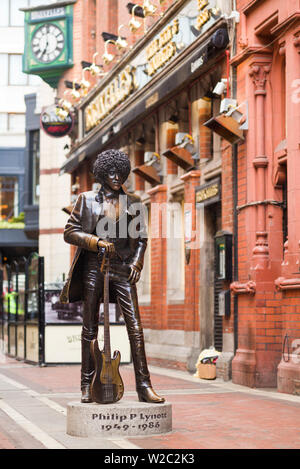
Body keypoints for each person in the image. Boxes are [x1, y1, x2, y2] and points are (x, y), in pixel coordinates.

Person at [60, 149, 165, 404]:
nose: (117, 177)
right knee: (89, 328)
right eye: (111, 172)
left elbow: (141, 239)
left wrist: (137, 264)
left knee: (136, 327)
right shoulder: (86, 200)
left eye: (121, 172)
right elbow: (70, 232)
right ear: (102, 173)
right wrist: (95, 241)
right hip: (93, 268)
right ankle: (86, 384)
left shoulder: (135, 202)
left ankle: (144, 385)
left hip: (122, 268)